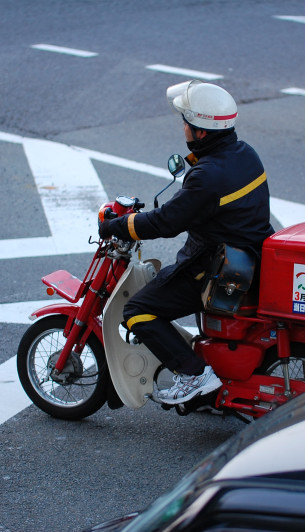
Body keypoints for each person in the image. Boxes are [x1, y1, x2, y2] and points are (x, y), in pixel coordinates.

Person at [98, 80, 274, 405]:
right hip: (252, 258)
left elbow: (166, 222)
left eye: (186, 122)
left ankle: (194, 374)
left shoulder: (208, 176)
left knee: (137, 309)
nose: (183, 127)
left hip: (220, 272)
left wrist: (117, 226)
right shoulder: (245, 154)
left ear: (202, 132)